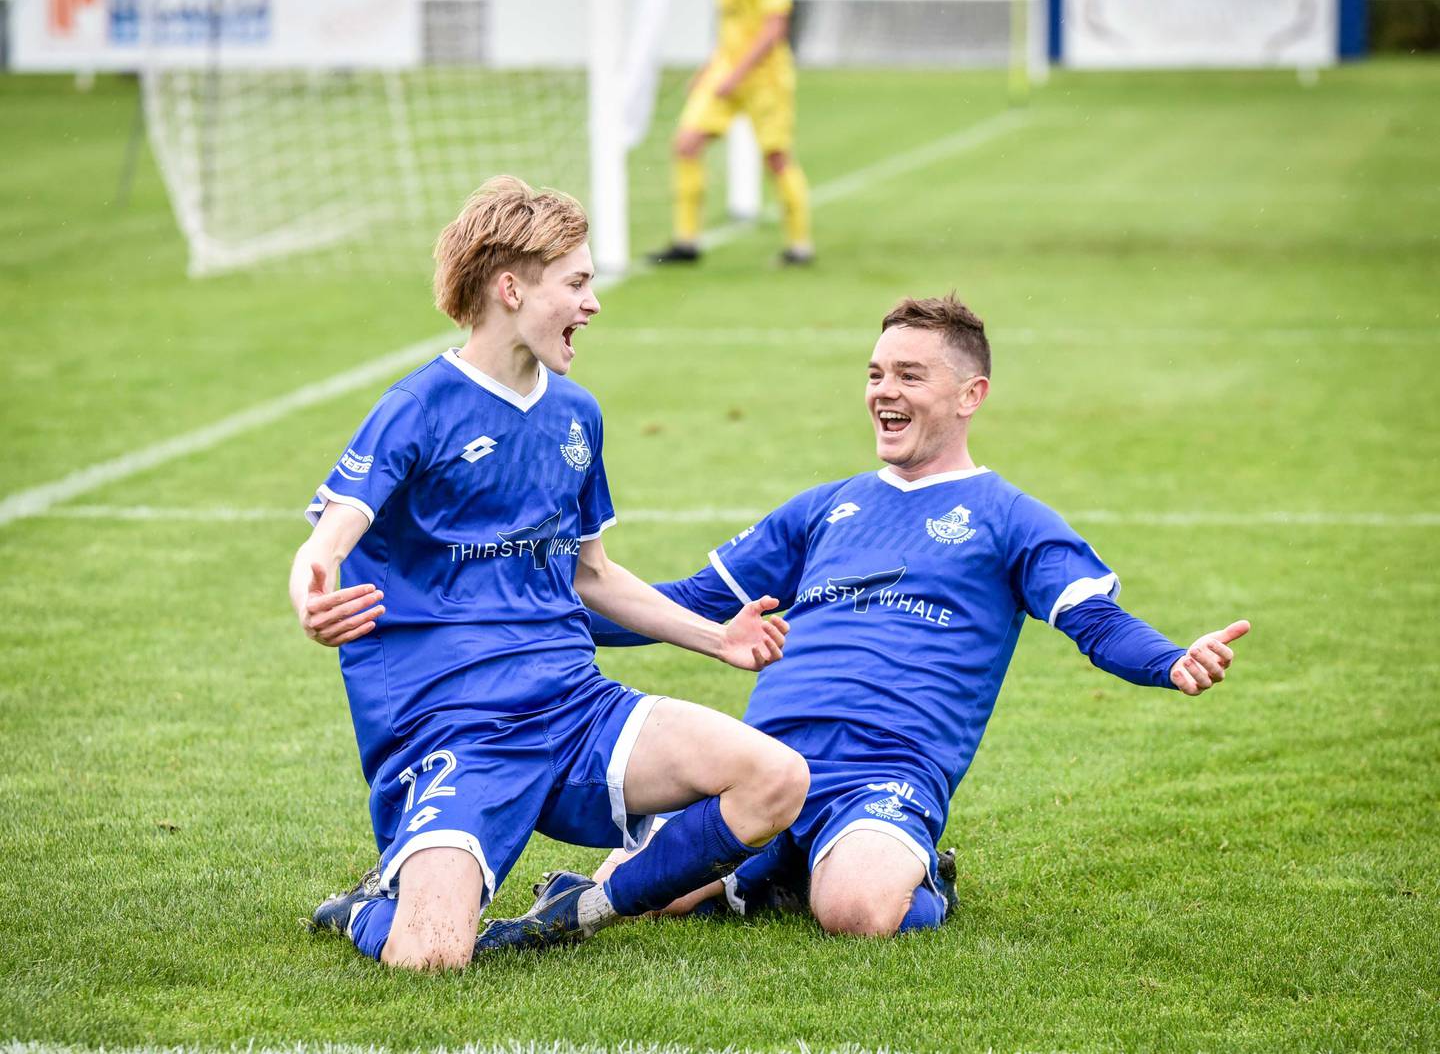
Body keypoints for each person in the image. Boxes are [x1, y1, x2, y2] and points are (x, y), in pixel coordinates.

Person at [484, 293, 1248, 945]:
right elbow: (690, 602)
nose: (885, 391)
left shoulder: (1011, 517)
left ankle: (901, 873)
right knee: (640, 886)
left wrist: (1169, 659)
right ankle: (764, 872)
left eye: (910, 375)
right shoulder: (827, 506)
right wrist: (527, 616)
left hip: (886, 771)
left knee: (856, 909)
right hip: (765, 762)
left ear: (970, 394)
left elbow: (1094, 618)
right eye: (876, 373)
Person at [292, 176, 808, 970]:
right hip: (460, 728)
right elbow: (327, 541)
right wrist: (313, 594)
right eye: (577, 283)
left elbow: (591, 575)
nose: (593, 303)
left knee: (776, 776)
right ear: (511, 289)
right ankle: (369, 906)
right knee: (430, 956)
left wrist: (718, 638)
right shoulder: (419, 408)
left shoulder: (575, 414)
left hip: (574, 707)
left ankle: (584, 905)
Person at [649, 0, 813, 266]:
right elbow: (730, 26)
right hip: (726, 68)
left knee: (776, 157)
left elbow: (774, 29)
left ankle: (799, 246)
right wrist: (710, 68)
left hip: (766, 76)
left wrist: (736, 75)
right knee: (686, 144)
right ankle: (687, 242)